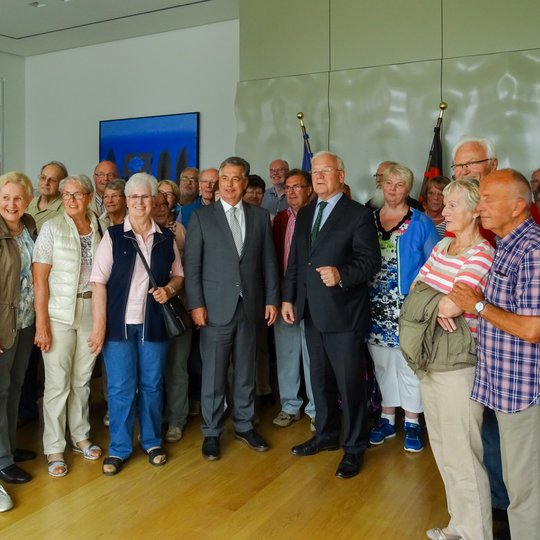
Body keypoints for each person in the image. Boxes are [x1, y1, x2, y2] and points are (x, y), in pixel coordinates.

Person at [449, 169, 540, 540]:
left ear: (517, 206)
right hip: (497, 383)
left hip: (521, 391)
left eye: (487, 199)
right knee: (507, 475)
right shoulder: (506, 242)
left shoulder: (532, 251)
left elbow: (534, 329)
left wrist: (479, 306)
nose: (479, 206)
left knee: (525, 489)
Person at [403, 179, 495, 540]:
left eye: (453, 205)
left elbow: (453, 304)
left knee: (464, 454)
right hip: (430, 357)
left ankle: (477, 534)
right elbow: (415, 291)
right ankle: (459, 526)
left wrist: (435, 299)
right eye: (444, 204)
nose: (444, 211)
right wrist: (436, 300)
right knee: (442, 448)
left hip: (459, 365)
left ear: (475, 210)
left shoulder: (483, 253)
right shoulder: (442, 245)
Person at [282, 151, 381, 479]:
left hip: (344, 315)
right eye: (315, 171)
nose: (319, 176)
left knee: (349, 385)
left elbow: (370, 262)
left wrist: (341, 274)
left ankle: (354, 448)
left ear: (341, 174)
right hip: (310, 311)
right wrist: (288, 299)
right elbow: (296, 262)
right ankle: (325, 436)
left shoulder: (358, 215)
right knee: (319, 380)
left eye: (326, 171)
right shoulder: (307, 213)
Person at [184, 156, 279, 461]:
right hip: (214, 309)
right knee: (213, 373)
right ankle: (212, 432)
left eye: (235, 178)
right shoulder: (201, 217)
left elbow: (268, 262)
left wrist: (271, 299)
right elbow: (193, 265)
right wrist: (196, 305)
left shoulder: (260, 217)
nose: (228, 184)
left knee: (246, 370)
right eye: (224, 178)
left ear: (245, 182)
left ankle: (244, 424)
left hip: (250, 307)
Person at [90, 173, 184, 475]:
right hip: (118, 326)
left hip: (153, 324)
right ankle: (119, 448)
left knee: (153, 385)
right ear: (127, 201)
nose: (140, 202)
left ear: (155, 199)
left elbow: (178, 276)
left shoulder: (166, 238)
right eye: (134, 197)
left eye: (145, 196)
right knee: (120, 388)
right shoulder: (114, 236)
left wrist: (169, 290)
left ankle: (152, 441)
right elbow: (98, 283)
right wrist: (99, 326)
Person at [33, 174, 103, 478]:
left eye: (78, 194)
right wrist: (41, 325)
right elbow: (39, 280)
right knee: (57, 383)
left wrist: (101, 320)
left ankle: (80, 437)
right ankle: (54, 447)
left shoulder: (99, 226)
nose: (72, 199)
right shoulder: (51, 227)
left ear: (88, 196)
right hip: (58, 312)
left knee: (82, 379)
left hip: (90, 308)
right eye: (67, 194)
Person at [367, 164, 438, 452]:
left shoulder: (421, 223)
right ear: (381, 186)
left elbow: (435, 266)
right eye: (388, 183)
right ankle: (387, 417)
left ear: (408, 190)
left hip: (408, 307)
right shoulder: (368, 219)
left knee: (409, 365)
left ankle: (411, 422)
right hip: (372, 306)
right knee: (383, 363)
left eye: (399, 185)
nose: (393, 189)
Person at [0, 172, 37, 507]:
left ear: (28, 200)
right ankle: (2, 461)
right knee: (0, 390)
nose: (11, 204)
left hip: (27, 322)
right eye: (5, 197)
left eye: (17, 198)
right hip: (3, 324)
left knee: (16, 385)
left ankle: (9, 446)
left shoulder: (29, 226)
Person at [272, 169, 316, 429]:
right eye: (287, 187)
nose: (291, 191)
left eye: (297, 186)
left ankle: (316, 410)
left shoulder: (317, 218)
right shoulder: (279, 219)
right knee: (287, 354)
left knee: (313, 355)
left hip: (311, 297)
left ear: (309, 189)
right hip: (284, 297)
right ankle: (289, 405)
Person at [153, 191, 191, 443]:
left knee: (176, 368)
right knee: (152, 372)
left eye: (161, 204)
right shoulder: (132, 234)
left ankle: (176, 419)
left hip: (177, 309)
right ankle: (154, 420)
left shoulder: (178, 232)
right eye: (151, 204)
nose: (157, 208)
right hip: (148, 313)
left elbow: (189, 272)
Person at [27, 161, 68, 232]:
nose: (46, 183)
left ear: (62, 184)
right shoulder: (28, 202)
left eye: (53, 180)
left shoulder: (66, 210)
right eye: (43, 177)